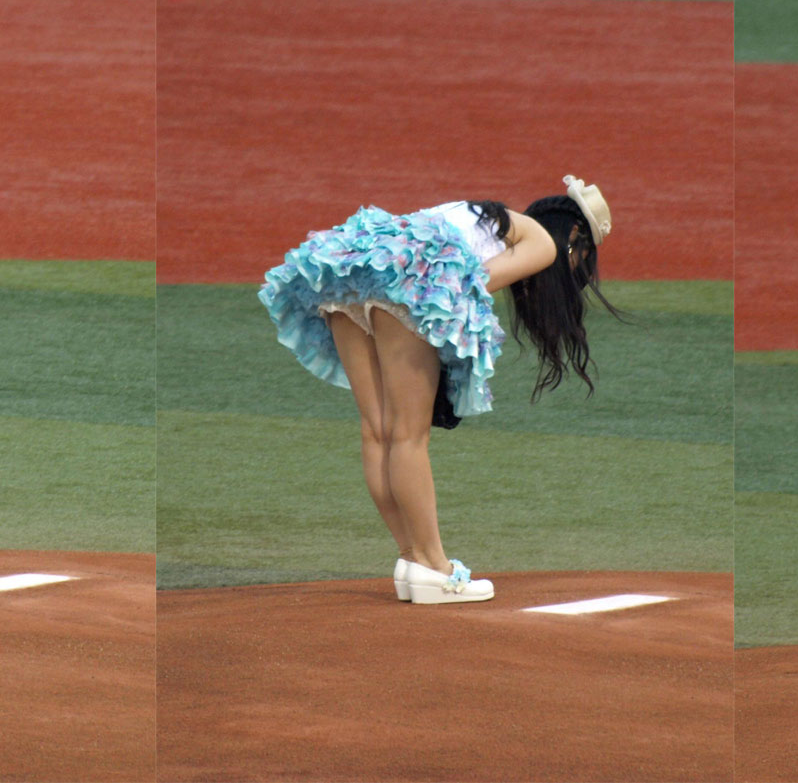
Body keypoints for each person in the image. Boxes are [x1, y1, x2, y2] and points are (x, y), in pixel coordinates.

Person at [259, 176, 615, 605]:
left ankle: (412, 559)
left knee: (378, 431)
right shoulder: (541, 241)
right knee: (408, 436)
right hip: (404, 286)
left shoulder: (484, 218)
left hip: (348, 273)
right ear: (574, 236)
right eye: (582, 258)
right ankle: (435, 567)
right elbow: (461, 288)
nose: (575, 269)